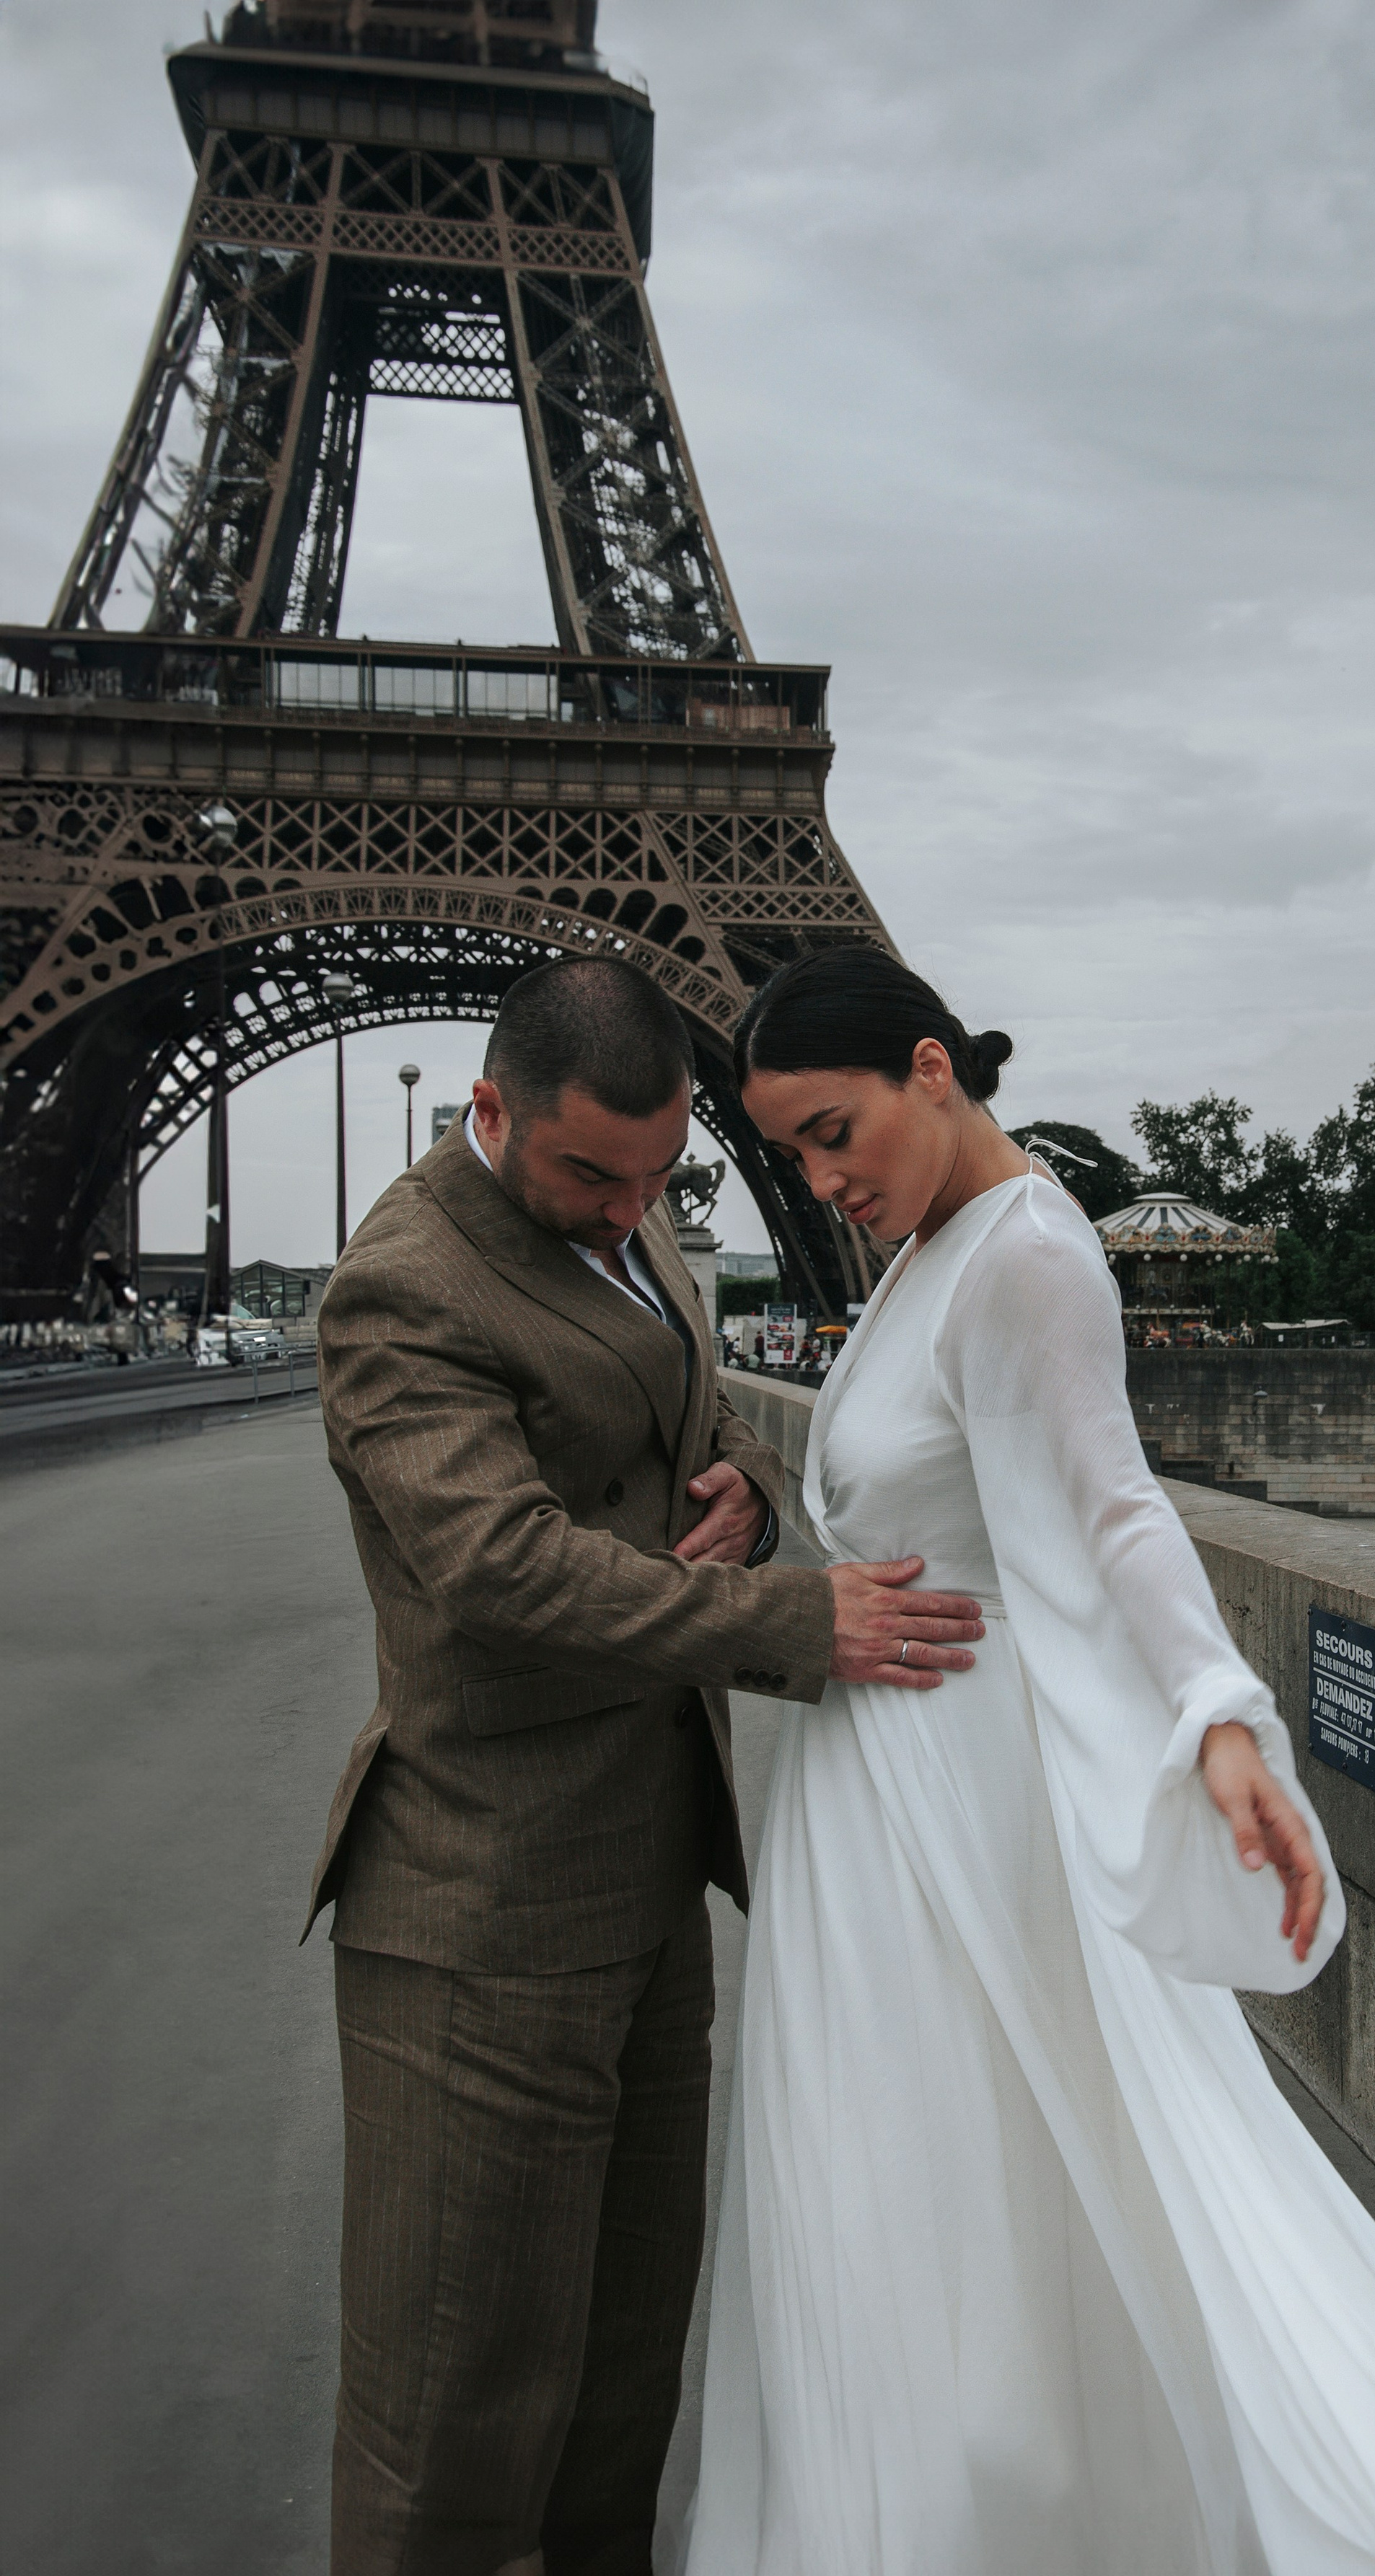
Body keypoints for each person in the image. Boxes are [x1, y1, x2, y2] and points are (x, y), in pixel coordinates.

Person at [680, 949, 1375, 2575]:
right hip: (884, 1797)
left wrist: (1218, 1712)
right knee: (934, 2225)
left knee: (931, 2222)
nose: (816, 1181)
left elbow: (1113, 1506)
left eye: (831, 1133)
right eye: (794, 1154)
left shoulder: (1025, 1250)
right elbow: (904, 1484)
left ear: (930, 1067)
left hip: (954, 1813)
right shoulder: (927, 1244)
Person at [307, 957, 985, 2576]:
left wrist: (743, 1479)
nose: (627, 1211)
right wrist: (791, 1617)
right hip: (480, 1902)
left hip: (641, 1883)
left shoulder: (627, 1219)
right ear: (488, 1112)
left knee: (620, 2383)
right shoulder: (401, 1287)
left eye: (656, 1175)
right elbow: (502, 1570)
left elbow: (679, 1421)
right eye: (587, 1176)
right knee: (455, 2409)